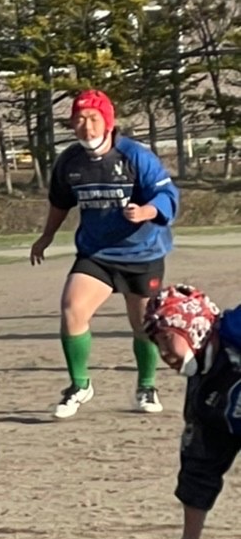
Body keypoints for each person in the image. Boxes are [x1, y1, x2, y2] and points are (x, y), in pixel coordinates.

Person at [30, 89, 180, 419]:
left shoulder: (135, 156)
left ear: (109, 122)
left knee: (142, 325)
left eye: (94, 118)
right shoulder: (70, 161)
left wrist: (146, 212)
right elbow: (60, 202)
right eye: (79, 119)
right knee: (72, 309)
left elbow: (168, 195)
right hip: (96, 253)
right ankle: (79, 384)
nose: (86, 126)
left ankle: (146, 385)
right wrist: (46, 236)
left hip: (142, 253)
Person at [141, 284, 241, 539]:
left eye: (166, 338)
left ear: (192, 326)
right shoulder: (205, 391)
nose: (163, 353)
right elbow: (201, 462)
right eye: (156, 343)